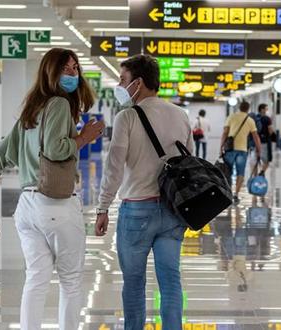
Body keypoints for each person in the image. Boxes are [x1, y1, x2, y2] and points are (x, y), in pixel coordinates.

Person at [0, 48, 103, 330]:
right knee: (70, 281)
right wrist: (84, 137)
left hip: (27, 207)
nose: (73, 73)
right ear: (51, 72)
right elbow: (56, 150)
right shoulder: (60, 104)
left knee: (36, 278)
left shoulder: (32, 107)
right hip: (56, 204)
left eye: (75, 68)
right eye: (66, 69)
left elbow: (4, 149)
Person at [95, 55, 193, 330]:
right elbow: (189, 163)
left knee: (134, 282)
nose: (119, 85)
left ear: (138, 83)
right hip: (173, 211)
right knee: (171, 281)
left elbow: (114, 167)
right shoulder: (180, 115)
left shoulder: (127, 117)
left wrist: (103, 207)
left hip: (137, 209)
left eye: (123, 80)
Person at [220, 101, 262, 204]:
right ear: (248, 108)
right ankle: (236, 194)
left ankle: (228, 192)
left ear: (239, 107)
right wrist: (259, 149)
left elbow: (225, 132)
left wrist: (220, 147)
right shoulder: (250, 120)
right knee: (240, 172)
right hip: (242, 150)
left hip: (230, 149)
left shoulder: (231, 117)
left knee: (228, 171)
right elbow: (255, 136)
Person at [254, 103, 275, 176]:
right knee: (266, 160)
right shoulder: (267, 118)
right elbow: (270, 130)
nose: (267, 110)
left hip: (255, 142)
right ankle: (262, 172)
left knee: (256, 160)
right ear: (262, 109)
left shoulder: (255, 118)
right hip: (264, 141)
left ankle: (255, 176)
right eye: (266, 108)